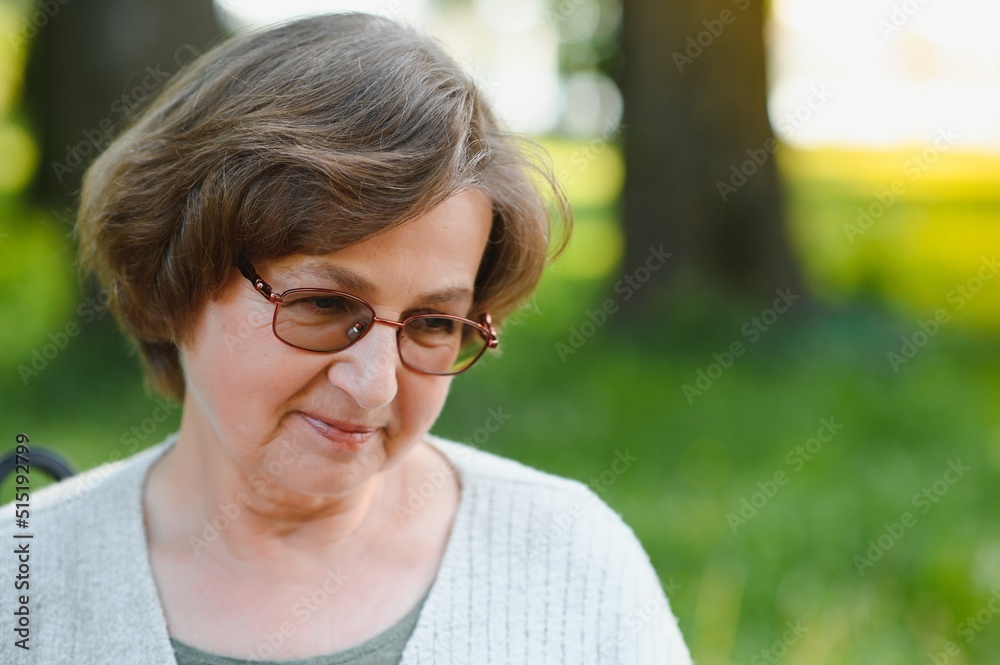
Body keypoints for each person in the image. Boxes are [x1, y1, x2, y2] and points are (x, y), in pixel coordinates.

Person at [0, 13, 692, 665]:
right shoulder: (24, 586)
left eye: (432, 324)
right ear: (174, 277)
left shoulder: (574, 568)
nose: (375, 383)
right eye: (325, 304)